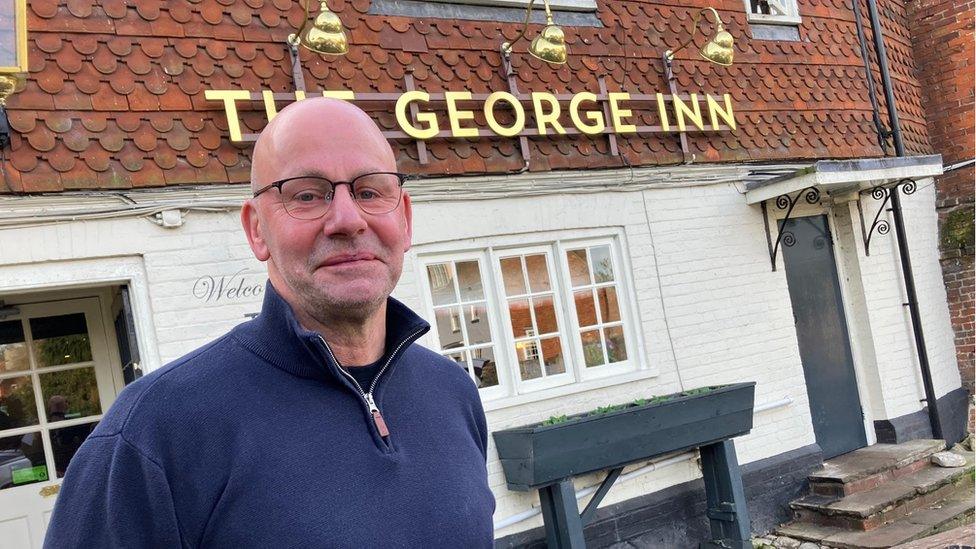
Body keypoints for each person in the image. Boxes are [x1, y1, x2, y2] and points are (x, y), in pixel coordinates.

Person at [44, 98, 496, 548]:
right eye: (307, 194)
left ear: (406, 218)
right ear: (257, 229)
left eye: (370, 192)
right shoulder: (155, 433)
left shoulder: (452, 392)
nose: (347, 219)